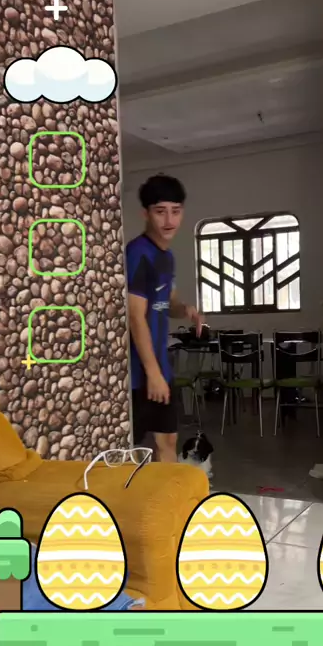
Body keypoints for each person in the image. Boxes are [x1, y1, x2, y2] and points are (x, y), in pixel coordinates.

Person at [126, 174, 202, 462]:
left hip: (160, 366)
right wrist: (153, 374)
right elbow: (135, 316)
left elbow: (167, 302)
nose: (169, 220)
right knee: (132, 448)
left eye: (176, 211)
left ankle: (169, 492)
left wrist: (185, 310)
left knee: (168, 441)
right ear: (145, 214)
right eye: (160, 211)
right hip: (139, 373)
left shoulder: (166, 257)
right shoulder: (138, 253)